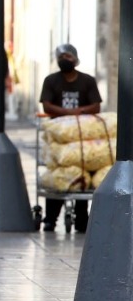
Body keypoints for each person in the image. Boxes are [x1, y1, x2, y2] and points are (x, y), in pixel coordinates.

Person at [39, 43, 102, 233]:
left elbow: (96, 106)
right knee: (58, 173)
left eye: (66, 57)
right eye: (60, 57)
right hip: (58, 136)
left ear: (74, 59)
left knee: (80, 173)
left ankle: (81, 218)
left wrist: (79, 112)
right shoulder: (51, 81)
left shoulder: (87, 81)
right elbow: (47, 105)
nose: (63, 61)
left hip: (82, 137)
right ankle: (51, 218)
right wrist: (66, 113)